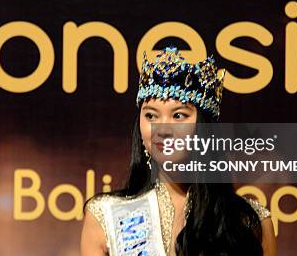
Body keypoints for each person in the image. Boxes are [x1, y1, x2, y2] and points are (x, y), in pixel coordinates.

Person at [81, 46, 276, 255]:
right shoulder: (105, 215)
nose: (163, 129)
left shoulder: (248, 223)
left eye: (179, 116)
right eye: (151, 116)